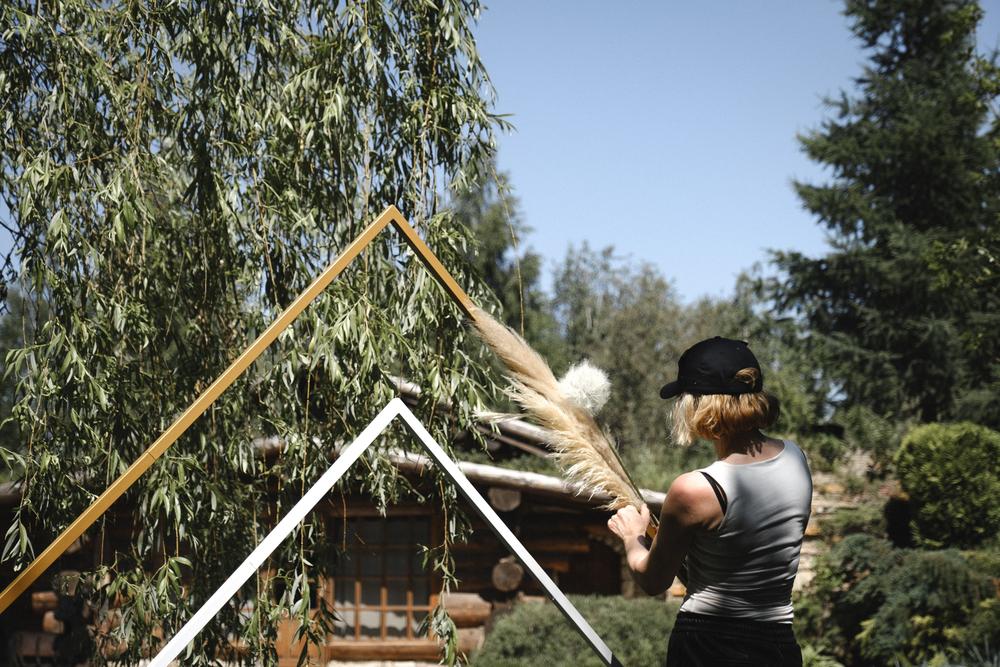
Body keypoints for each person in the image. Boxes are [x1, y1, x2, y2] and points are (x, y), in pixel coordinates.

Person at [607, 336, 812, 667]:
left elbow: (653, 580)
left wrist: (632, 537)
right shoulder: (798, 460)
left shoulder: (695, 489)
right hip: (778, 644)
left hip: (710, 644)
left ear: (699, 403)